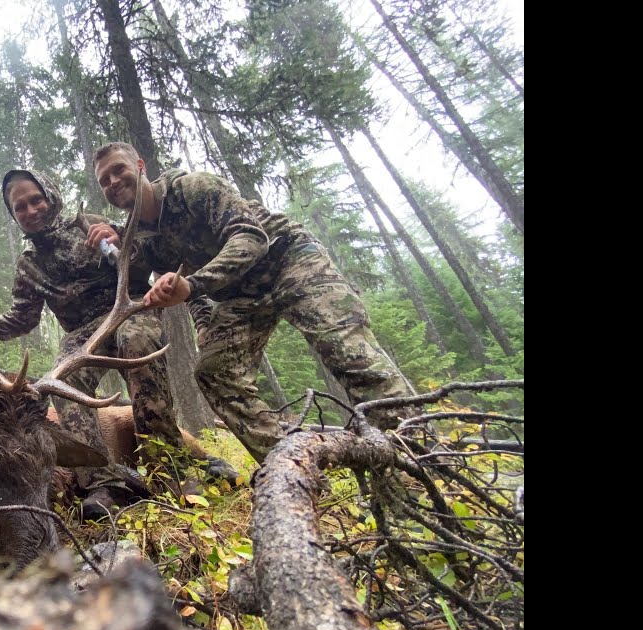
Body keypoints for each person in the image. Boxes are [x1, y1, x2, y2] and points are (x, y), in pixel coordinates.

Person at [87, 142, 414, 461]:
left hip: (289, 260)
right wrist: (202, 322)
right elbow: (176, 279)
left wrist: (194, 285)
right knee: (214, 370)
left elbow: (251, 236)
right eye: (105, 180)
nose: (113, 181)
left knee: (343, 344)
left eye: (119, 170)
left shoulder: (192, 188)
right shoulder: (140, 237)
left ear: (140, 166)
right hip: (239, 296)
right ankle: (291, 464)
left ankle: (414, 453)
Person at [0, 168, 201, 518]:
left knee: (137, 344)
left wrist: (119, 241)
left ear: (51, 196)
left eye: (35, 200)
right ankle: (102, 484)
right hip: (83, 335)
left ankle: (171, 470)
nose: (30, 211)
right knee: (61, 382)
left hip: (128, 311)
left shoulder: (90, 225)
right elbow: (22, 318)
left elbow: (139, 267)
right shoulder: (29, 266)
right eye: (20, 207)